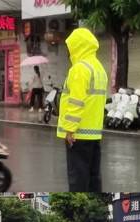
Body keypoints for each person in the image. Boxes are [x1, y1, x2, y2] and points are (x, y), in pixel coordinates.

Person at [57, 28, 108, 192]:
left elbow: (76, 101)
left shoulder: (80, 69)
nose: (69, 50)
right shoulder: (99, 68)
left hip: (78, 133)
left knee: (77, 178)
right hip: (93, 132)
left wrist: (70, 129)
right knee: (94, 177)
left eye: (70, 46)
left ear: (78, 46)